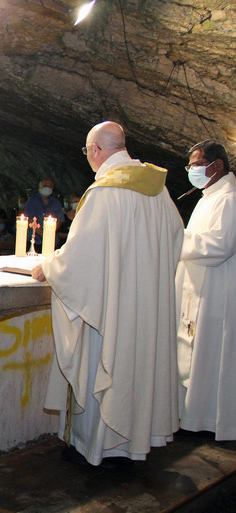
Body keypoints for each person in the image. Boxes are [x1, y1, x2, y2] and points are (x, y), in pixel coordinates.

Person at [31, 121, 183, 467]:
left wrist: (50, 267)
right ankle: (139, 441)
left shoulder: (103, 193)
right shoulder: (159, 190)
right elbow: (176, 239)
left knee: (107, 366)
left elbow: (80, 257)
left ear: (96, 150)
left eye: (87, 152)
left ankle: (102, 447)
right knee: (139, 367)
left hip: (113, 308)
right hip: (145, 305)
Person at [176, 140, 236, 441]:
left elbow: (221, 245)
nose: (192, 171)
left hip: (218, 295)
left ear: (217, 166)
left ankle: (209, 420)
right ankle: (192, 416)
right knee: (195, 356)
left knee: (213, 358)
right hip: (199, 291)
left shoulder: (229, 198)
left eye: (197, 165)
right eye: (190, 166)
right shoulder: (208, 196)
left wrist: (176, 239)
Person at [24, 178, 65, 251]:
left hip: (52, 241)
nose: (47, 188)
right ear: (39, 187)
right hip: (34, 241)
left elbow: (59, 220)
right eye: (45, 185)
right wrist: (42, 233)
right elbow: (28, 219)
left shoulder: (56, 203)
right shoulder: (31, 201)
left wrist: (49, 232)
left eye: (50, 186)